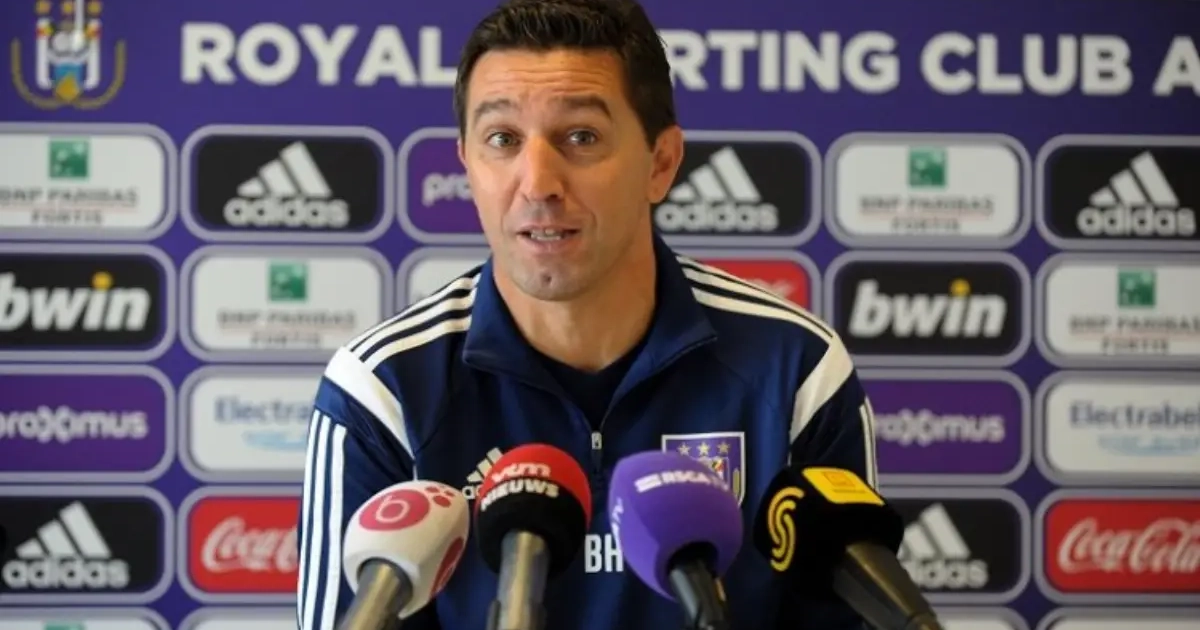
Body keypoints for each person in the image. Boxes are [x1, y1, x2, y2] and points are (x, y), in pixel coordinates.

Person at [296, 0, 877, 628]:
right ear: (467, 163)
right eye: (502, 140)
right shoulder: (383, 389)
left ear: (661, 163)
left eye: (580, 137)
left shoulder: (795, 369)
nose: (538, 183)